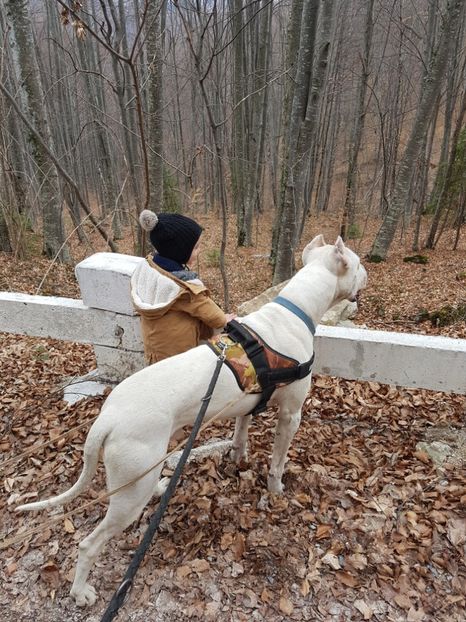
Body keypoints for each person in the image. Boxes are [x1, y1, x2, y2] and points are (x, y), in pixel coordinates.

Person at [131, 209, 234, 364]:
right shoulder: (183, 289)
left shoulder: (151, 270)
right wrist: (223, 319)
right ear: (179, 251)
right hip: (178, 353)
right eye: (196, 247)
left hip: (155, 348)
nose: (199, 251)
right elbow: (208, 311)